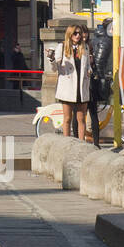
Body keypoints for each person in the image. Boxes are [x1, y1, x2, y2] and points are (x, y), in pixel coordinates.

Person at [48, 24, 91, 141]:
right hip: (67, 87)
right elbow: (54, 68)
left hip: (81, 87)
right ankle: (66, 143)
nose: (78, 36)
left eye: (79, 33)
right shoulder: (62, 47)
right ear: (70, 34)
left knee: (81, 119)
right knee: (67, 118)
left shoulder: (85, 47)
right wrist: (51, 59)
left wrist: (89, 70)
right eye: (75, 33)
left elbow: (88, 66)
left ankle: (81, 143)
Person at [89, 19, 114, 149]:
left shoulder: (99, 38)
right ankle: (95, 143)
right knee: (92, 112)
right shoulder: (105, 41)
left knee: (88, 112)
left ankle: (93, 141)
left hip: (92, 79)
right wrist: (101, 78)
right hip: (95, 80)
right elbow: (100, 62)